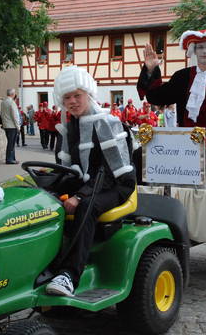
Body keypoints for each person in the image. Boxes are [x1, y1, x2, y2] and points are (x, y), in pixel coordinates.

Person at [45, 66, 136, 297]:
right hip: (86, 182)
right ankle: (44, 262)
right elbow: (66, 168)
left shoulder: (107, 123)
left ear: (88, 93)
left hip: (116, 185)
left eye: (77, 95)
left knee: (87, 206)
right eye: (67, 97)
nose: (73, 101)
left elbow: (111, 172)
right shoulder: (69, 127)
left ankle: (69, 275)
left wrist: (80, 195)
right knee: (44, 200)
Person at [137, 27, 206, 191]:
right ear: (194, 50)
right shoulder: (182, 76)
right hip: (182, 144)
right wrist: (150, 69)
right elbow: (157, 97)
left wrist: (202, 150)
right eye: (200, 47)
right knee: (141, 155)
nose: (205, 51)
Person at [0, 88, 21, 164]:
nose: (15, 94)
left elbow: (2, 114)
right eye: (14, 93)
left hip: (6, 125)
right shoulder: (12, 103)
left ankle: (12, 158)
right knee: (11, 143)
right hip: (12, 126)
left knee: (10, 143)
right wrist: (18, 127)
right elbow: (15, 116)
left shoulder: (3, 102)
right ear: (13, 94)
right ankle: (9, 159)